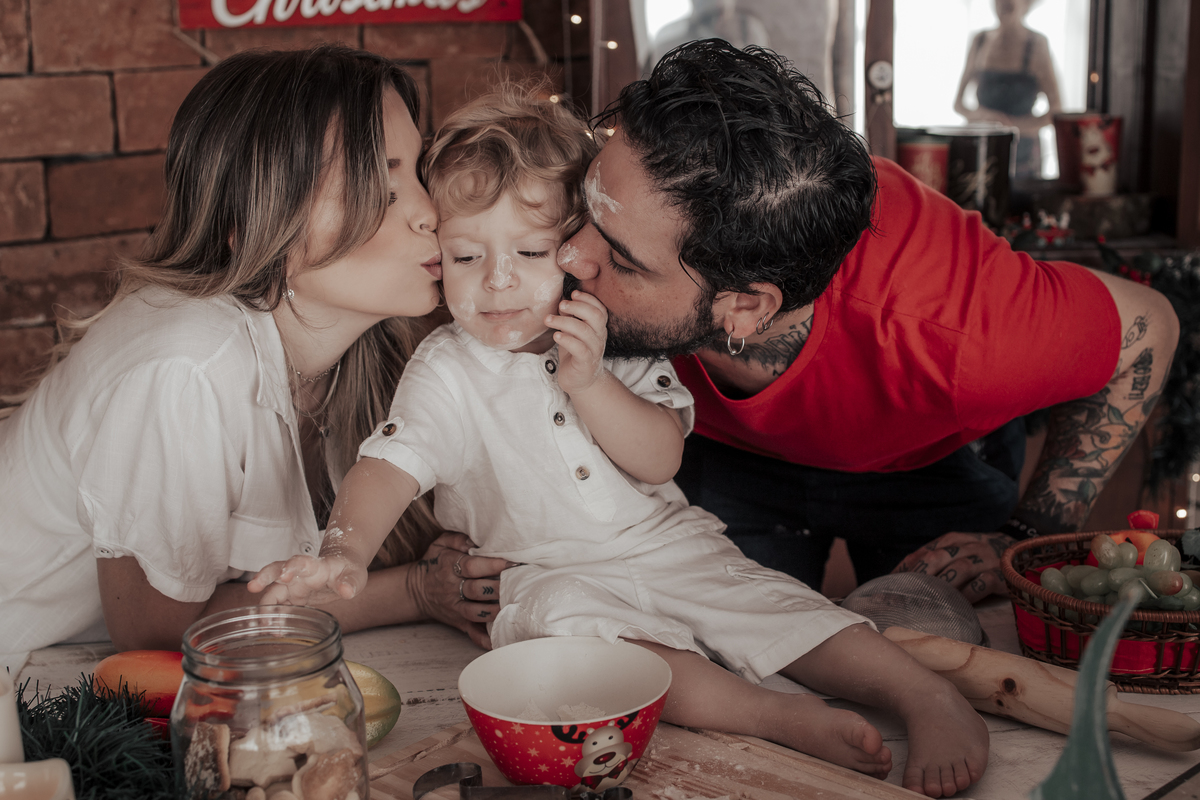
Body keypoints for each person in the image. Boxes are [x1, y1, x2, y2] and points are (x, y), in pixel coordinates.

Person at [250, 84, 990, 798]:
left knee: (773, 605)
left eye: (530, 255)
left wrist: (591, 383)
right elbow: (389, 467)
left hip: (663, 542)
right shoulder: (447, 367)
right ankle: (773, 715)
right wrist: (344, 550)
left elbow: (661, 458)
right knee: (584, 645)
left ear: (574, 248)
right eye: (468, 257)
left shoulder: (610, 334)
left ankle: (923, 695)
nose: (498, 282)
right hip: (539, 567)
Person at [556, 39, 1177, 607]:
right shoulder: (619, 209)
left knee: (938, 644)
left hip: (924, 465)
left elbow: (1147, 326)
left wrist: (1031, 532)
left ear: (744, 307)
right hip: (721, 451)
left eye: (622, 261)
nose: (567, 256)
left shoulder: (962, 329)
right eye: (586, 208)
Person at [0, 45, 508, 677]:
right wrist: (412, 591)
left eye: (420, 176)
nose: (429, 214)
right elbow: (154, 635)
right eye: (381, 187)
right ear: (263, 223)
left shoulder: (354, 347)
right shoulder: (187, 368)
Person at [952, 0, 1062, 179]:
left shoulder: (1036, 44)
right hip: (983, 151)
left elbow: (1056, 111)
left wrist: (1011, 126)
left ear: (1026, 4)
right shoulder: (980, 41)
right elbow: (959, 105)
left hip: (1023, 156)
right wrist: (984, 117)